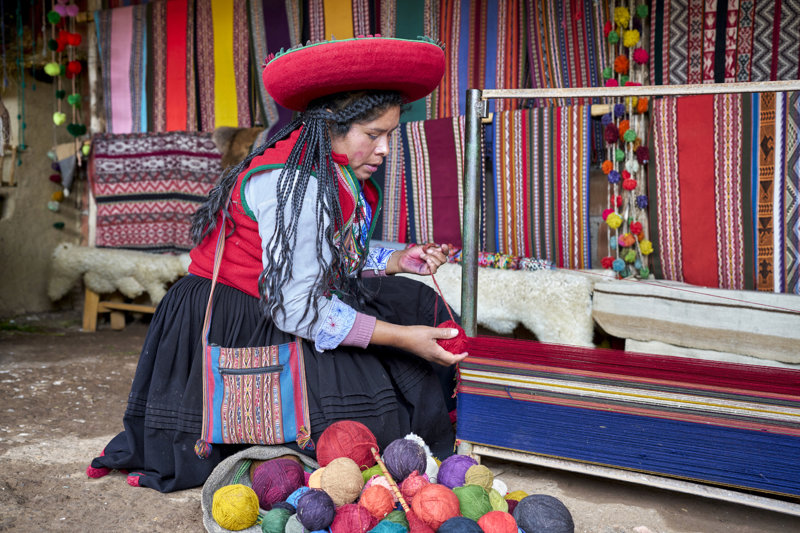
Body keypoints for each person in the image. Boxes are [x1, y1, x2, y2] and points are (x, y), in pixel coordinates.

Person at [87, 36, 467, 492]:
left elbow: (325, 254)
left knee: (414, 300)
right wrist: (405, 340)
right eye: (373, 135)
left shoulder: (334, 169)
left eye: (390, 134)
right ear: (330, 127)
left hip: (278, 299)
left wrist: (395, 260)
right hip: (239, 315)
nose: (385, 149)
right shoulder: (298, 186)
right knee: (368, 430)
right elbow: (299, 310)